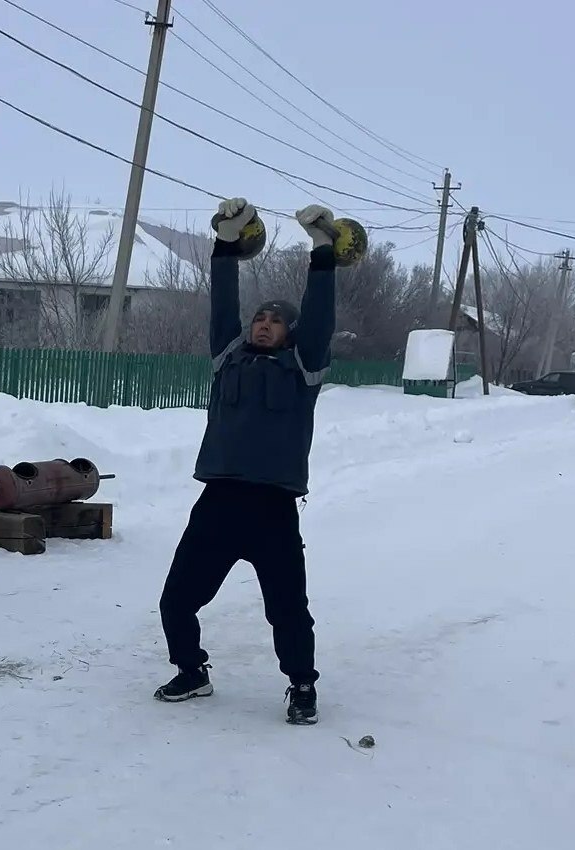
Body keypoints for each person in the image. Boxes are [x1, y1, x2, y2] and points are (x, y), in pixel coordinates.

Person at [155, 198, 336, 725]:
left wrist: (321, 252)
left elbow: (321, 314)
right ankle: (192, 671)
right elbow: (221, 305)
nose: (263, 324)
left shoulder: (304, 367)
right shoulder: (226, 358)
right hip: (218, 503)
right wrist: (226, 245)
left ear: (292, 333)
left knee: (287, 611)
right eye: (260, 317)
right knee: (176, 600)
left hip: (273, 510)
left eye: (276, 321)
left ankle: (302, 686)